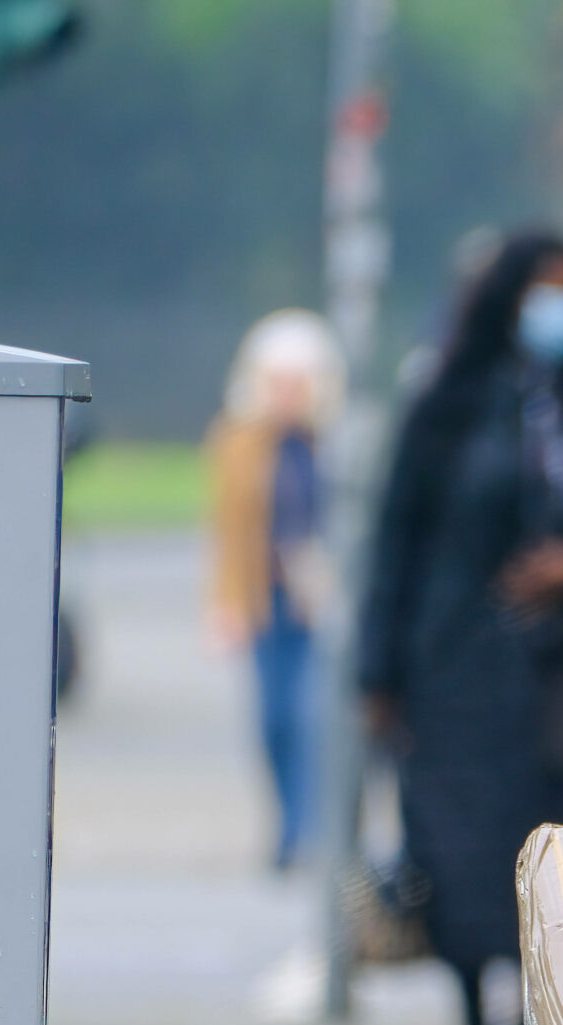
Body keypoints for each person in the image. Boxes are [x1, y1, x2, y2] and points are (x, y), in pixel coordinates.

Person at [360, 231, 563, 1025]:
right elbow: (396, 542)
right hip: (456, 667)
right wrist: (380, 671)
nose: (562, 309)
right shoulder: (447, 401)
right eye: (544, 291)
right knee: (461, 854)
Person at [205, 310, 344, 870]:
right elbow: (227, 531)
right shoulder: (238, 441)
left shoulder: (334, 442)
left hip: (322, 603)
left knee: (314, 715)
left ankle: (311, 831)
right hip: (268, 601)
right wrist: (224, 605)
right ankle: (287, 826)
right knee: (273, 720)